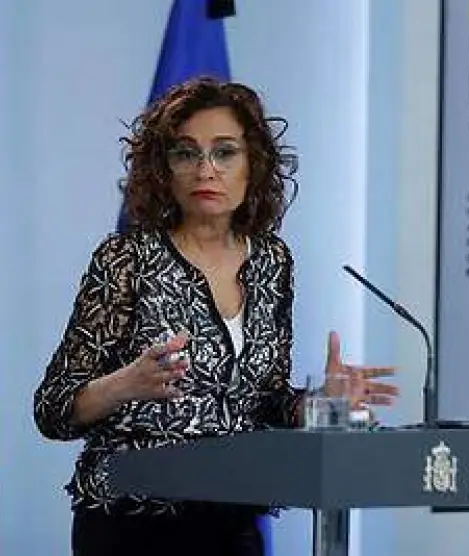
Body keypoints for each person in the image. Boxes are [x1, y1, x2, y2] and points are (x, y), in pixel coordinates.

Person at [33, 76, 398, 556]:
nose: (206, 169)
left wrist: (319, 403)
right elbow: (53, 409)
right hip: (131, 522)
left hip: (232, 518)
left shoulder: (271, 262)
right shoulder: (127, 260)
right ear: (164, 169)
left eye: (225, 152)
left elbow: (263, 400)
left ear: (253, 165)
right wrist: (125, 384)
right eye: (186, 153)